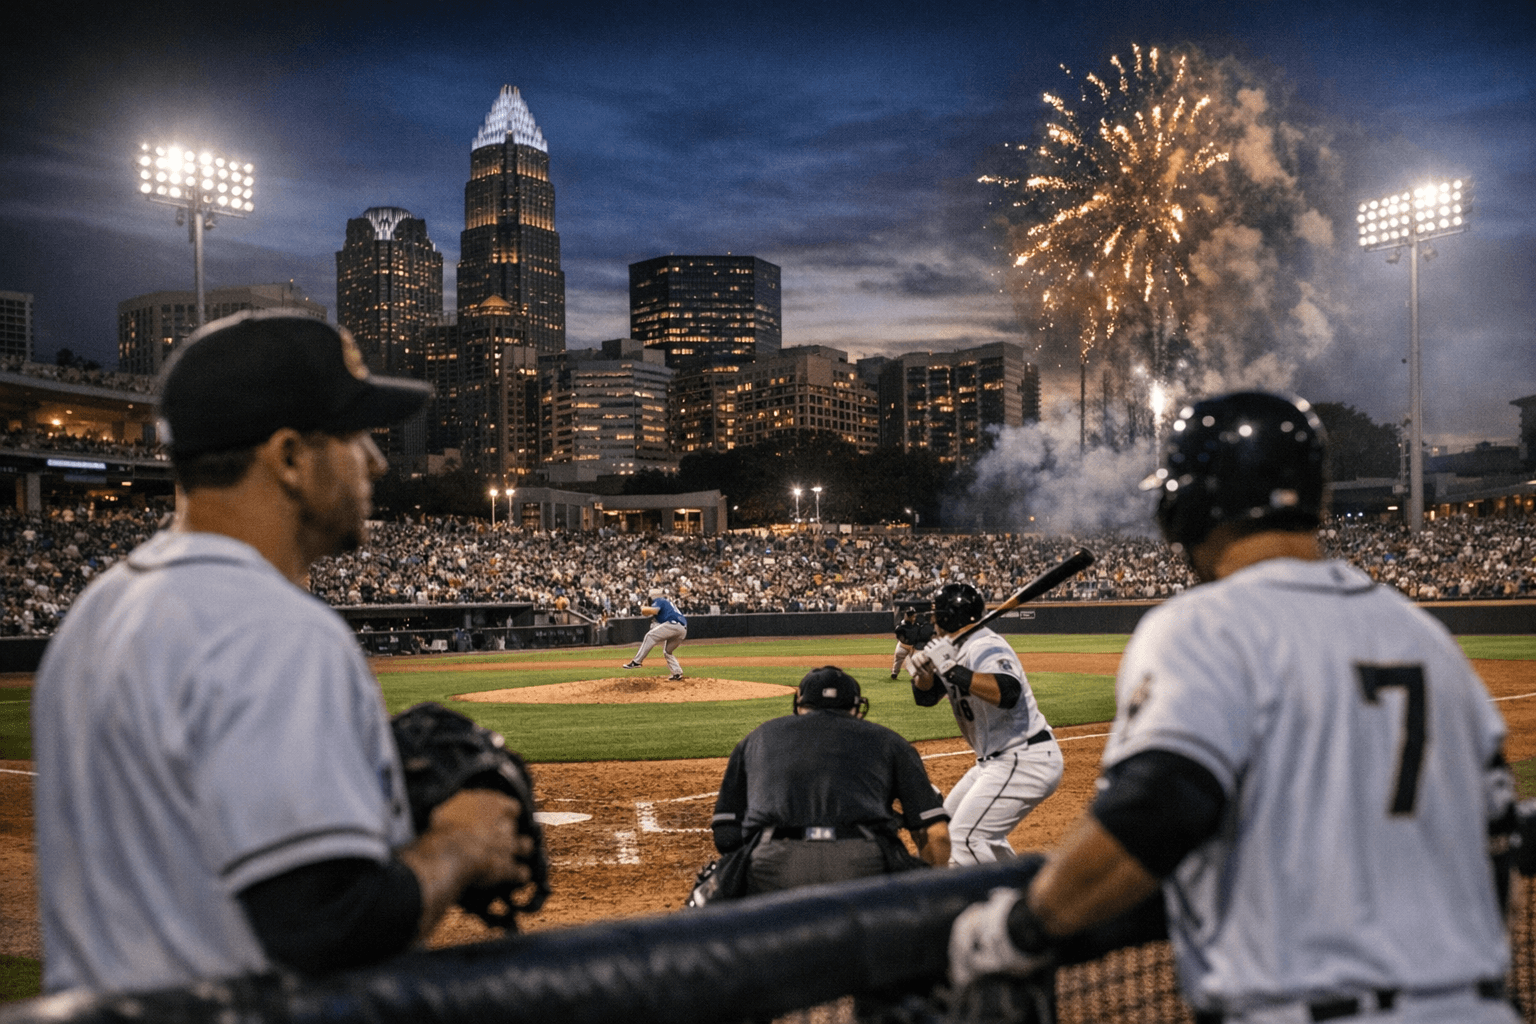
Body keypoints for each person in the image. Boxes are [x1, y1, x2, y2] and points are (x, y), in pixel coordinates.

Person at [949, 391, 1519, 1024]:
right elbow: (1492, 844)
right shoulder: (1425, 637)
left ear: (1188, 506)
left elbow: (1154, 814)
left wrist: (1019, 930)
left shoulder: (1204, 627)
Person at [32, 312, 532, 994]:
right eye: (355, 436)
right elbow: (322, 928)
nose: (377, 462)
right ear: (291, 457)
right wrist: (458, 847)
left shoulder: (97, 613)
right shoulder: (271, 628)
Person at [711, 666, 950, 894]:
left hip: (773, 862)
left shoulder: (757, 738)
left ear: (799, 704)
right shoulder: (891, 741)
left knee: (708, 896)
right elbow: (937, 835)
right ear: (857, 708)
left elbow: (726, 835)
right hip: (863, 863)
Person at [906, 582, 1062, 866]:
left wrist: (951, 669)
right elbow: (925, 698)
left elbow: (1007, 692)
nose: (932, 619)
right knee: (947, 834)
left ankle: (1000, 901)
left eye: (937, 613)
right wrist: (924, 673)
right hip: (993, 763)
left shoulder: (985, 644)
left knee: (965, 841)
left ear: (950, 617)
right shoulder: (953, 648)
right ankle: (1020, 888)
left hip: (1025, 758)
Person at [622, 587, 688, 680]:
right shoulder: (667, 603)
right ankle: (677, 672)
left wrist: (643, 608)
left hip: (673, 625)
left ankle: (637, 661)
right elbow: (652, 615)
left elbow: (653, 611)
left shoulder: (659, 600)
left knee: (650, 636)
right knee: (667, 652)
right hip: (682, 629)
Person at [891, 604, 934, 679]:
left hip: (913, 647)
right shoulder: (901, 625)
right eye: (910, 615)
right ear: (906, 615)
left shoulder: (917, 623)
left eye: (913, 615)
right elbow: (900, 636)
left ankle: (917, 675)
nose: (912, 617)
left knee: (916, 660)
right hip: (903, 646)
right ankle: (894, 673)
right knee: (898, 658)